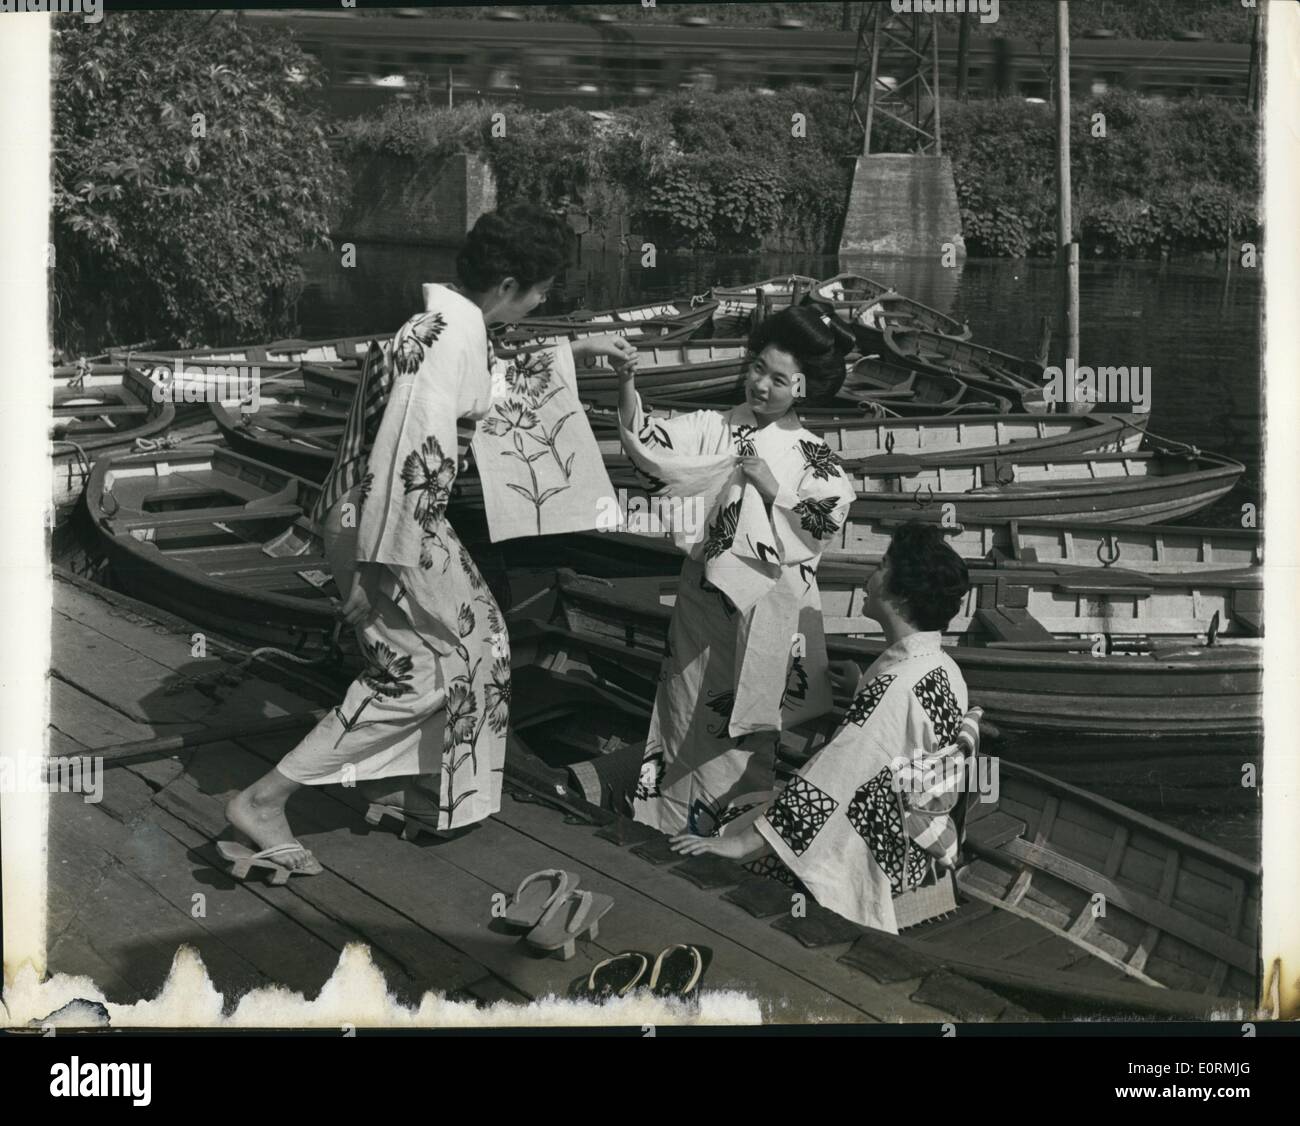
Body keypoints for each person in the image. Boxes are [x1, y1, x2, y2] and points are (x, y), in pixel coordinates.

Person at [221, 204, 636, 876]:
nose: (538, 303)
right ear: (508, 286)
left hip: (401, 516)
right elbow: (407, 457)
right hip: (386, 521)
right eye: (537, 292)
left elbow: (484, 385)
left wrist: (575, 351)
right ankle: (267, 798)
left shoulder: (448, 328)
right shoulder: (445, 342)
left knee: (480, 647)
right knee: (415, 670)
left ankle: (431, 798)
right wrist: (377, 566)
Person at [617, 303, 858, 837]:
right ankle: (662, 823)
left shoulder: (817, 459)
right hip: (703, 604)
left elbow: (828, 517)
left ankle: (730, 836)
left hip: (768, 614)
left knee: (748, 722)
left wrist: (776, 490)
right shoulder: (715, 427)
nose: (761, 385)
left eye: (778, 379)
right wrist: (628, 382)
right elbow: (649, 447)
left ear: (801, 388)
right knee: (683, 712)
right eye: (756, 369)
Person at [669, 521, 973, 934]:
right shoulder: (942, 668)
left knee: (733, 827)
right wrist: (861, 685)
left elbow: (832, 779)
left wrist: (740, 843)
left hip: (877, 849)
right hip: (913, 841)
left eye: (882, 566)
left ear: (900, 593)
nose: (870, 577)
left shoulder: (894, 689)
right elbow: (895, 725)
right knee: (761, 809)